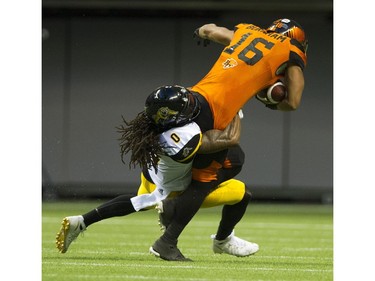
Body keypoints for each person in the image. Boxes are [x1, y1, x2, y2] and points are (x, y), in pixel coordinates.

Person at [148, 18, 308, 261]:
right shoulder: (290, 49)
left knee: (235, 158)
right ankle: (167, 240)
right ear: (295, 38)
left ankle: (180, 201)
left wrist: (200, 32)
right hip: (215, 111)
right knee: (204, 182)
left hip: (195, 98)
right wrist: (267, 98)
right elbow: (293, 101)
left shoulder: (247, 31)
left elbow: (211, 30)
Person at [55, 94, 258, 258]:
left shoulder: (153, 123)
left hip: (152, 176)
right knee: (241, 190)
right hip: (174, 188)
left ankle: (82, 221)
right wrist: (234, 106)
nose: (191, 110)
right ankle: (219, 238)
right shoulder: (185, 135)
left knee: (141, 201)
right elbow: (230, 139)